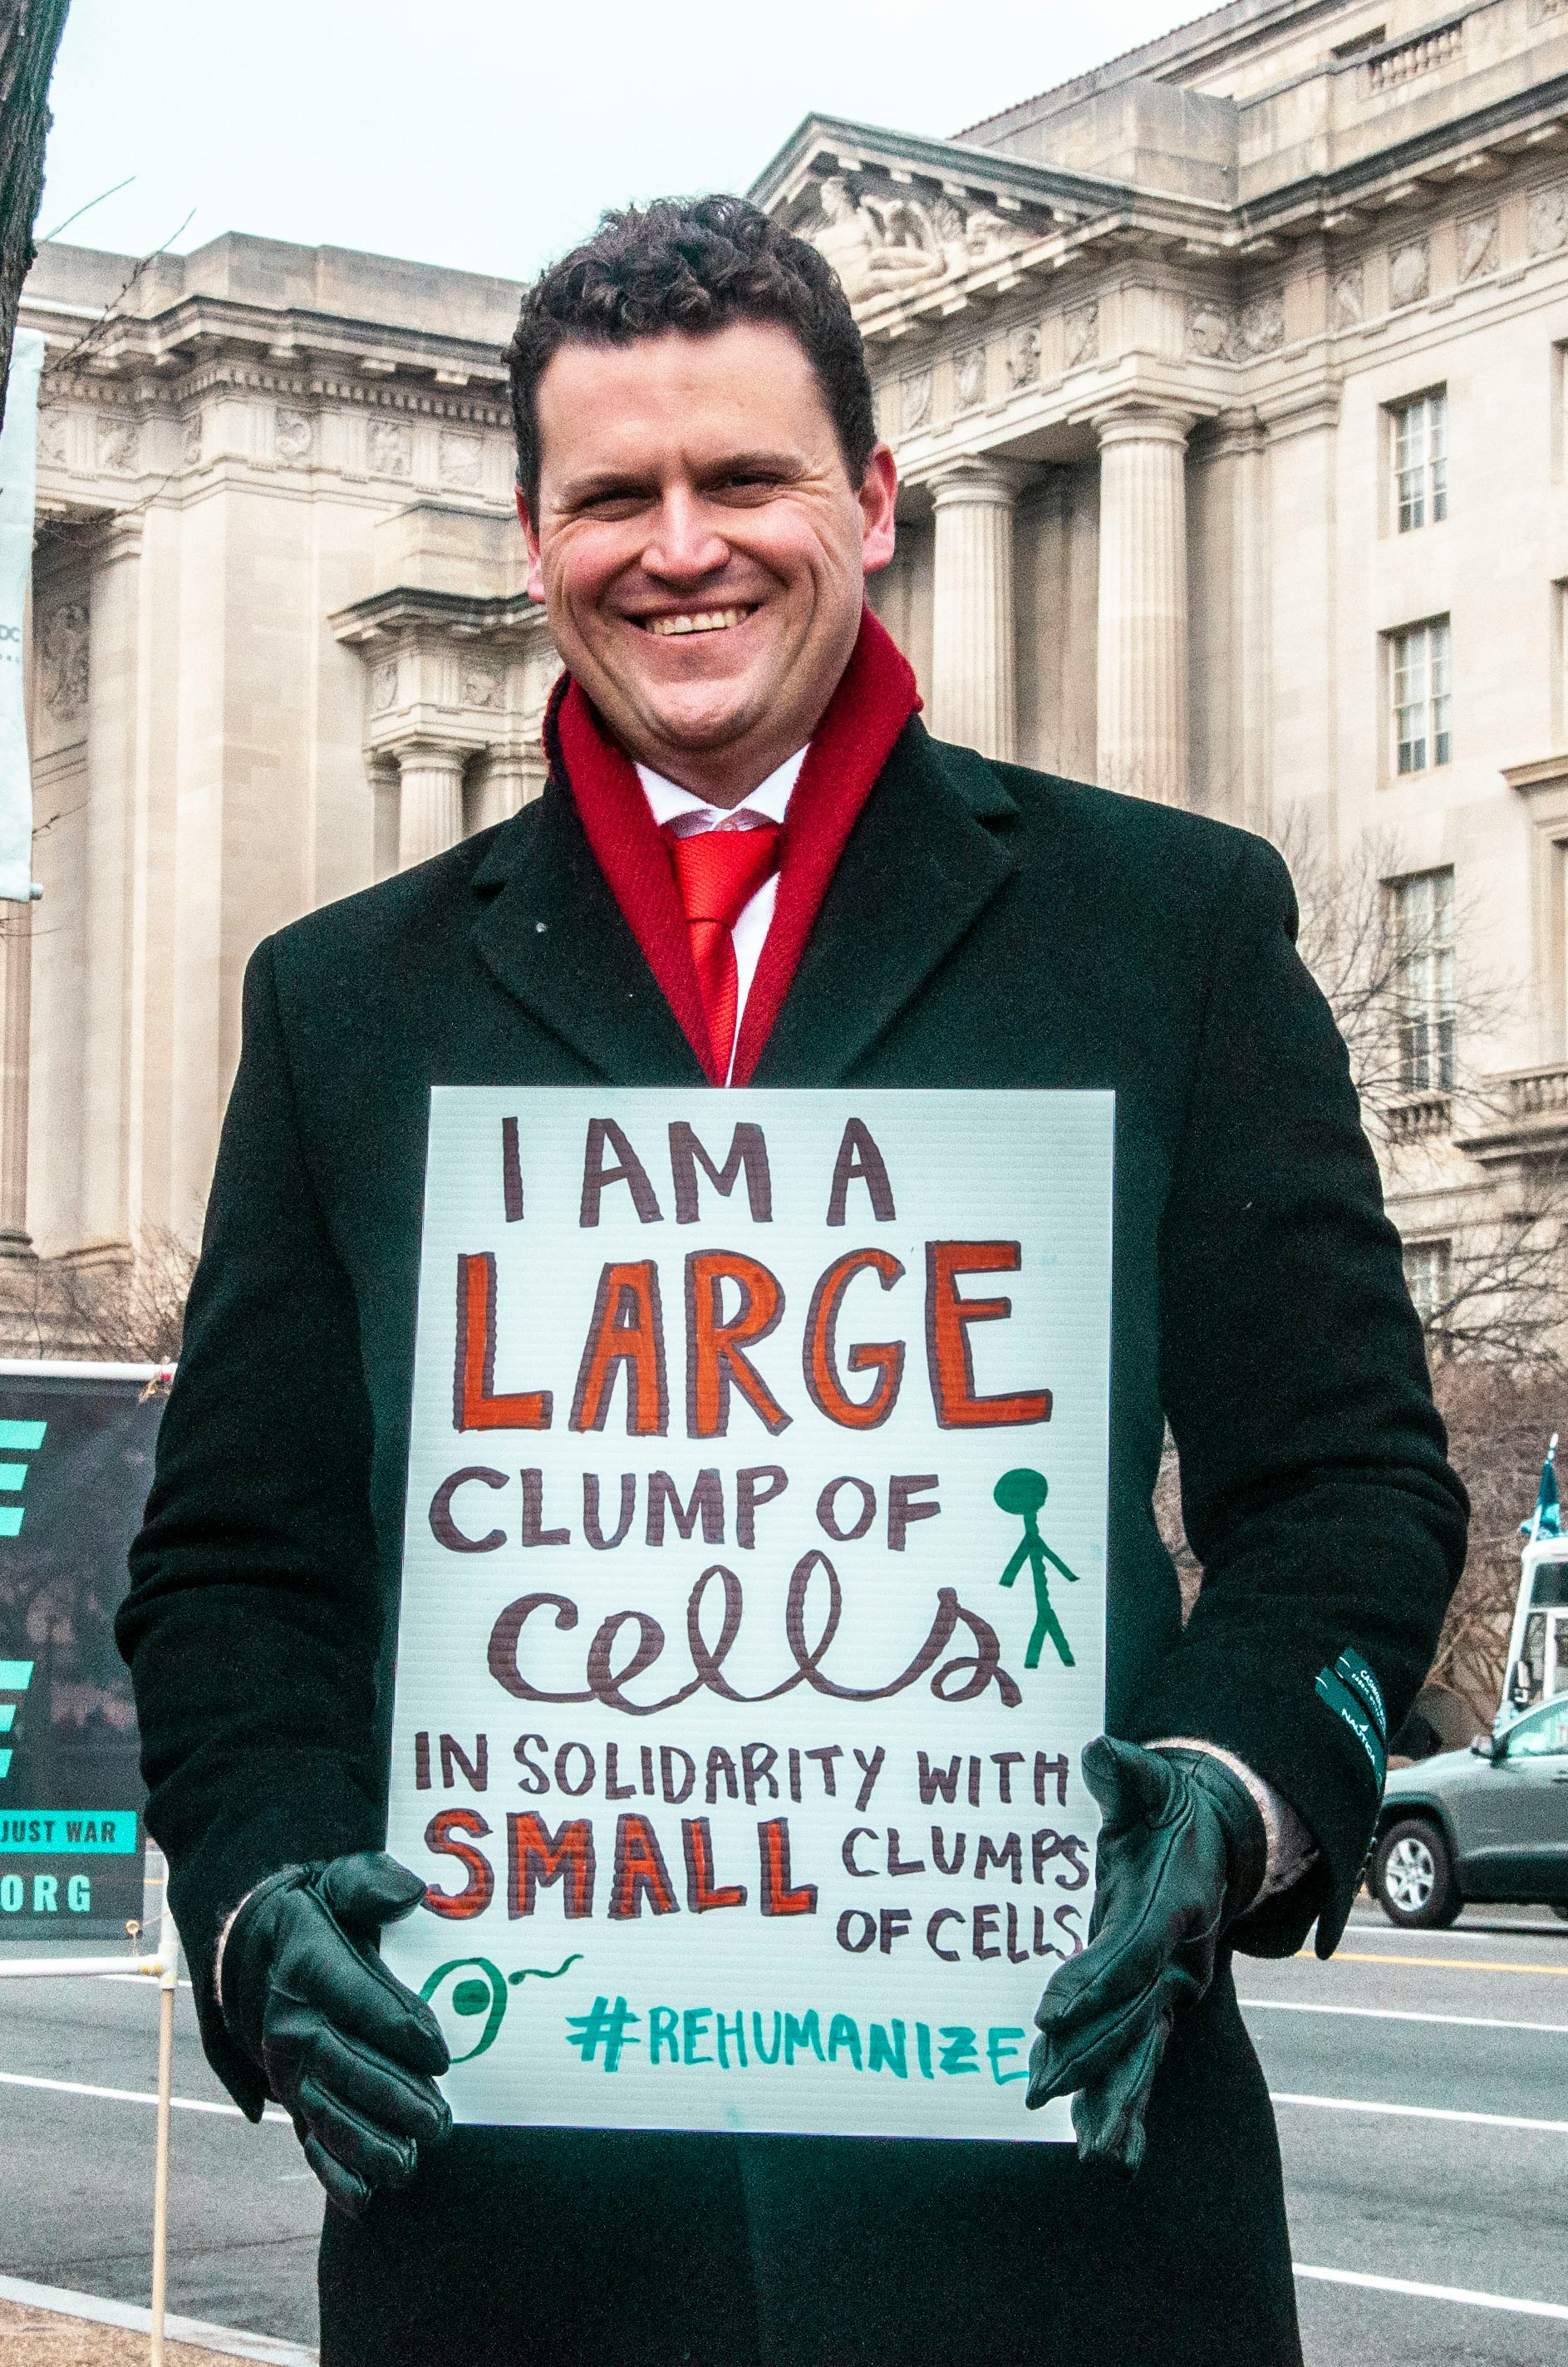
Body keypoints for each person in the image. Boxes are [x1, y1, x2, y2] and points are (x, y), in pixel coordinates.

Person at [118, 195, 1467, 2367]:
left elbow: (1349, 1489)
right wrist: (268, 1899)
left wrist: (1225, 1801)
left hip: (1062, 2235)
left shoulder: (1172, 935)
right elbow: (232, 1574)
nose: (682, 547)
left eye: (742, 478)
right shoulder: (343, 1006)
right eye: (612, 496)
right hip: (511, 2241)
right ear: (535, 536)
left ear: (870, 501)